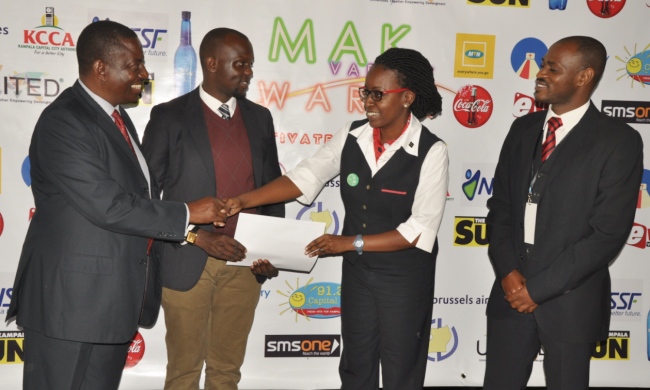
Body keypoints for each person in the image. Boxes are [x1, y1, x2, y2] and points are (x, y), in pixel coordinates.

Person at [6, 21, 226, 390]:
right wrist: (187, 212)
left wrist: (188, 232)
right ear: (101, 69)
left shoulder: (117, 118)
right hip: (70, 306)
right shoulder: (64, 122)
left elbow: (137, 200)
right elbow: (107, 205)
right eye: (135, 64)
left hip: (110, 304)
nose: (143, 73)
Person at [224, 47, 448, 390]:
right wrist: (242, 200)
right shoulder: (352, 135)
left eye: (378, 94)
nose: (368, 102)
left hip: (404, 281)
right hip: (359, 276)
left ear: (407, 98)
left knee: (402, 371)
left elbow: (418, 231)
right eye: (365, 93)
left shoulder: (432, 151)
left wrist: (348, 243)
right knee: (356, 368)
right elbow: (305, 176)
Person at [483, 36, 643, 390]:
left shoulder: (619, 140)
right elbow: (500, 209)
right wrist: (508, 274)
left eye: (552, 68)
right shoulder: (522, 130)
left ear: (584, 76)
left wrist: (537, 289)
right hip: (510, 297)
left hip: (571, 304)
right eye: (543, 64)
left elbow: (607, 235)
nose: (540, 73)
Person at [141, 28, 283, 390]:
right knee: (184, 372)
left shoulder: (260, 118)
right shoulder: (169, 117)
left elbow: (271, 191)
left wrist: (270, 252)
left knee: (226, 372)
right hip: (186, 260)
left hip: (243, 264)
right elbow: (145, 199)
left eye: (250, 64)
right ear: (211, 63)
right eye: (241, 64)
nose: (249, 72)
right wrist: (195, 237)